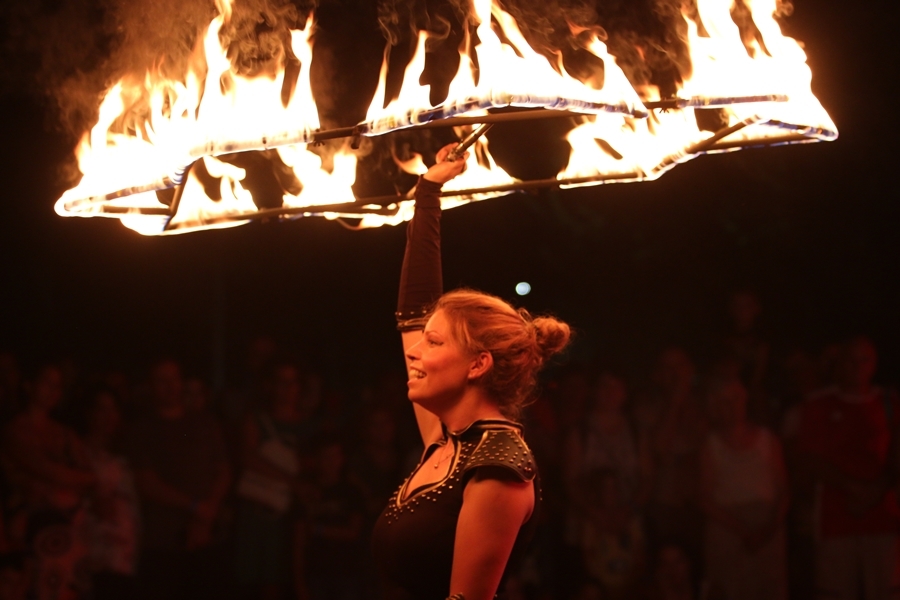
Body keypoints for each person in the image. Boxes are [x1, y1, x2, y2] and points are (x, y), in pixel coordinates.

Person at [370, 142, 571, 600]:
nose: (414, 352)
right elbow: (412, 312)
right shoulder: (449, 440)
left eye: (434, 342)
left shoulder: (498, 465)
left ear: (478, 364)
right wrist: (428, 190)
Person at [798, 337, 900, 600]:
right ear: (840, 363)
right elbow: (812, 458)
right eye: (851, 360)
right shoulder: (819, 404)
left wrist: (876, 490)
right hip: (835, 520)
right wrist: (854, 488)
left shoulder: (890, 402)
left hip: (884, 520)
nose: (858, 367)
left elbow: (896, 454)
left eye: (864, 360)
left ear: (874, 364)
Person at [127, 359, 231, 600]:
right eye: (162, 380)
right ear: (151, 386)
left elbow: (224, 470)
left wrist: (208, 511)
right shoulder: (142, 429)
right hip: (164, 540)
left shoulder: (205, 422)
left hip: (207, 537)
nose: (170, 386)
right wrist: (195, 506)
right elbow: (146, 482)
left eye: (174, 379)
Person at [700, 377, 788, 600]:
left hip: (766, 527)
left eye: (736, 399)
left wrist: (769, 528)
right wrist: (742, 530)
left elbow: (784, 490)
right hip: (727, 530)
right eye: (725, 401)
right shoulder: (710, 445)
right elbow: (704, 498)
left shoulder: (768, 440)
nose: (732, 406)